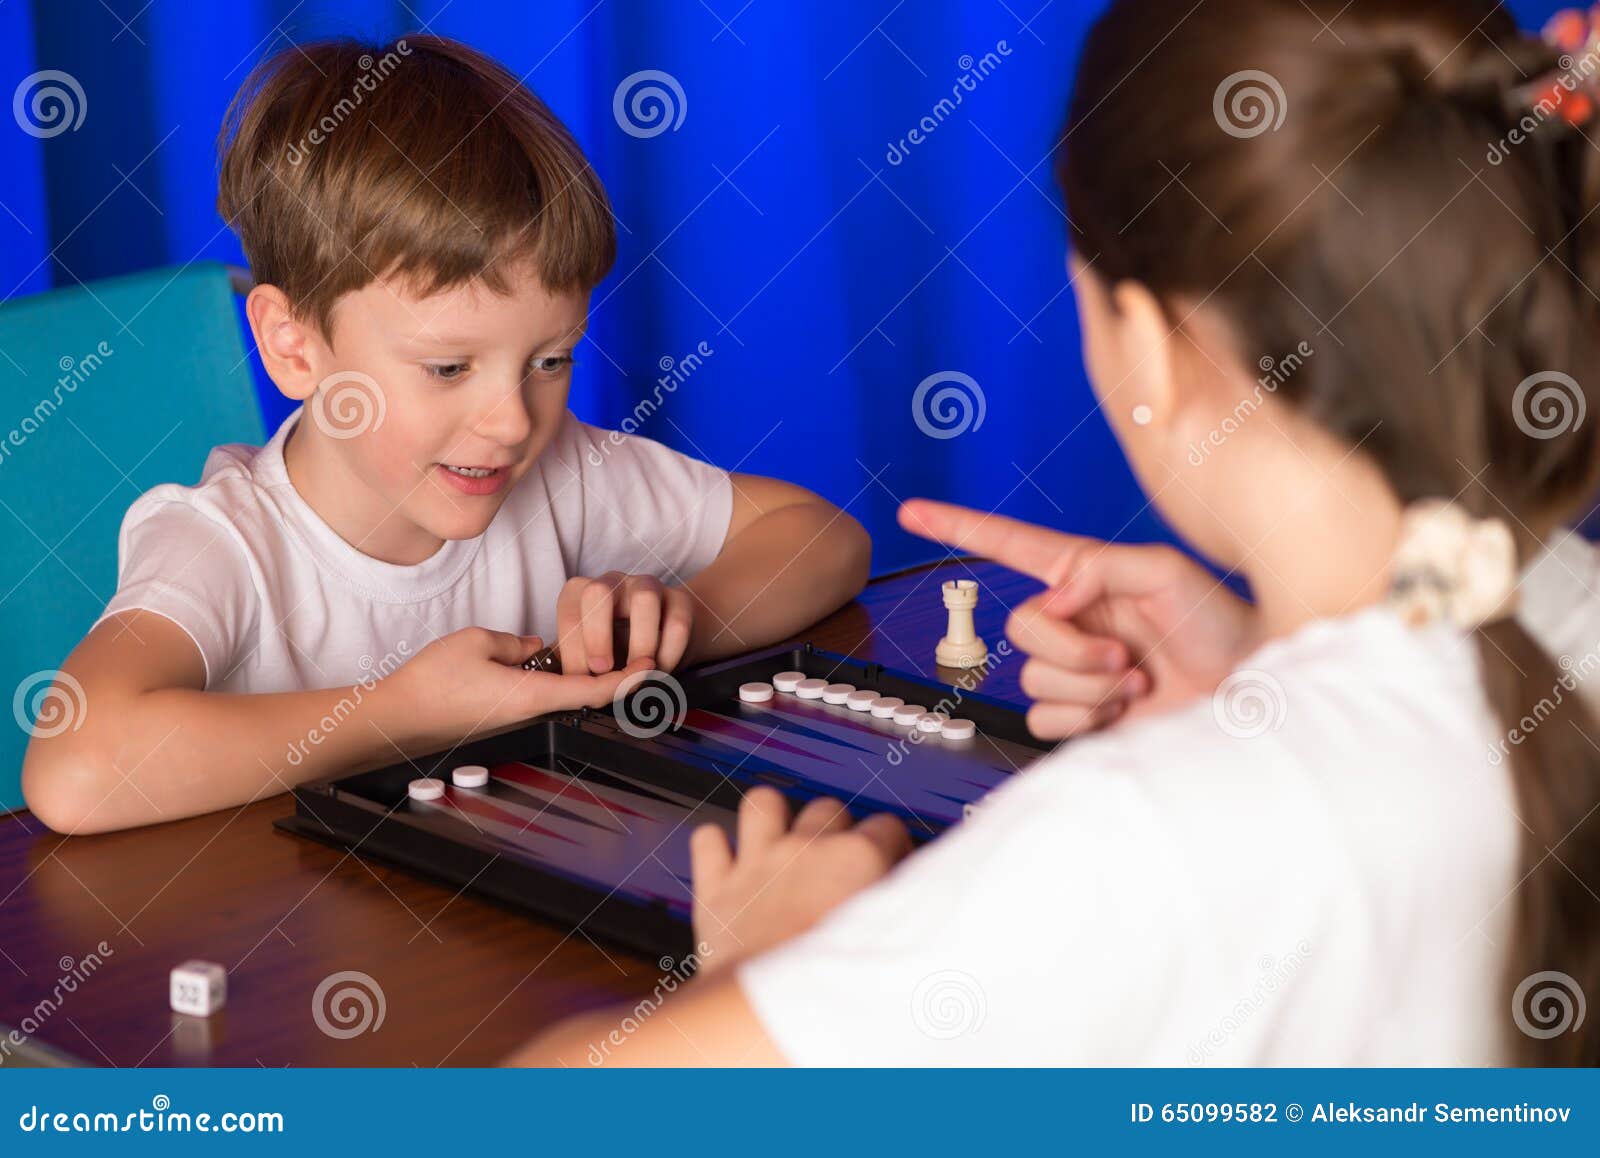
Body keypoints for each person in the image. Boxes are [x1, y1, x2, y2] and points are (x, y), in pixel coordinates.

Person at [513, 0, 1600, 1066]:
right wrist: (1260, 675)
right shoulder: (1560, 637)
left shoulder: (1137, 848)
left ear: (1145, 341)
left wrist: (762, 963)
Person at [20, 37, 870, 835]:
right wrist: (402, 711)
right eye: (448, 369)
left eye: (549, 360)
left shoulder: (561, 472)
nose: (511, 423)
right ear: (294, 346)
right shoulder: (226, 543)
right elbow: (75, 771)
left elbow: (823, 538)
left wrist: (674, 623)